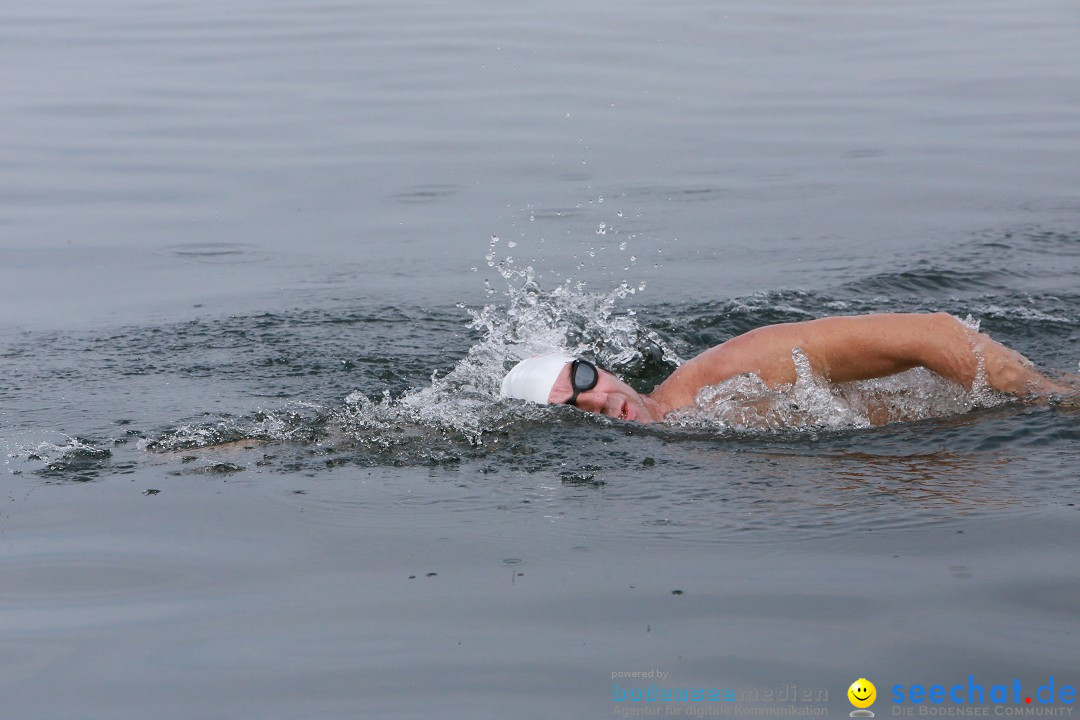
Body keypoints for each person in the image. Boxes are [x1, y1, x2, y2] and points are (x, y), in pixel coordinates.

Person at [499, 312, 1076, 424]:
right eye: (570, 408)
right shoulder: (695, 438)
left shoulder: (731, 370)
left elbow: (936, 334)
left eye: (581, 379)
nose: (595, 400)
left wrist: (1046, 397)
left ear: (599, 368)